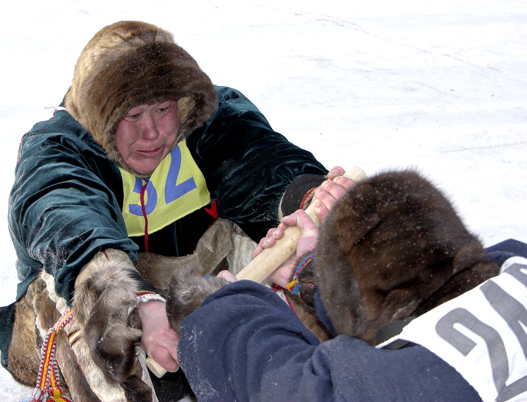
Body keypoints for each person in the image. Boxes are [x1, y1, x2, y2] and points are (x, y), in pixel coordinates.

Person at [0, 20, 331, 401]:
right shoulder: (58, 146)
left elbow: (260, 160)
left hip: (193, 286)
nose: (152, 133)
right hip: (88, 299)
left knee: (309, 241)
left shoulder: (205, 117)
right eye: (131, 115)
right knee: (94, 297)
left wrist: (313, 198)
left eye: (163, 108)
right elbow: (65, 213)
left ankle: (306, 372)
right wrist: (137, 304)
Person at [171, 169, 527, 402]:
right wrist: (311, 272)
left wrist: (224, 313)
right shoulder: (514, 262)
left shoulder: (411, 382)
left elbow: (279, 385)